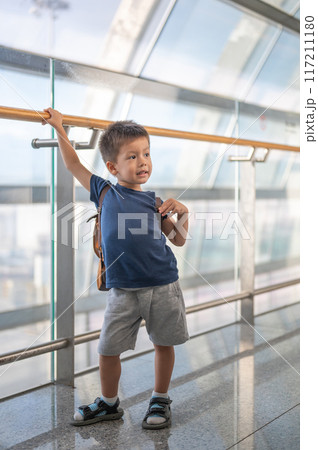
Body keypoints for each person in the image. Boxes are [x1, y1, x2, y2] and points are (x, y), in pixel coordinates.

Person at [43, 107, 189, 430]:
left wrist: (183, 214)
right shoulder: (104, 191)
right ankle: (109, 403)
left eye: (146, 154)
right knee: (108, 349)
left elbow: (177, 240)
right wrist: (59, 128)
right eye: (133, 156)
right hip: (123, 291)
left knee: (163, 344)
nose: (143, 162)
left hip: (163, 284)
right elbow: (72, 164)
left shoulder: (155, 202)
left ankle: (160, 399)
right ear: (112, 166)